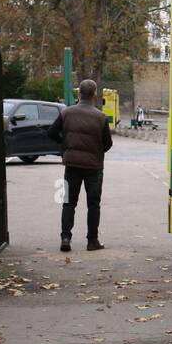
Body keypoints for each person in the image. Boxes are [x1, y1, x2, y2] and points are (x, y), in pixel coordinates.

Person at [47, 79, 112, 252]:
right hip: (94, 167)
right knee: (93, 204)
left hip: (72, 164)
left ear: (79, 94)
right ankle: (92, 241)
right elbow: (108, 144)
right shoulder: (100, 117)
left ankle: (66, 237)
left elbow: (51, 132)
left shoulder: (66, 113)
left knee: (68, 202)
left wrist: (65, 145)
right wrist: (96, 150)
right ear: (94, 94)